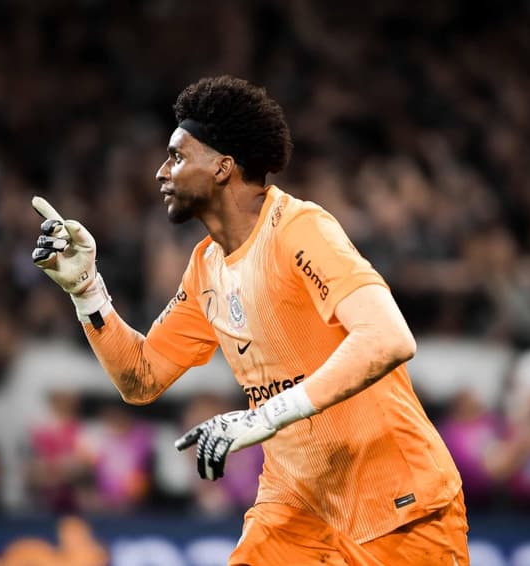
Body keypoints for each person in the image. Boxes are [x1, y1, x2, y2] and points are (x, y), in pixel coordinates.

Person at [32, 76, 468, 565]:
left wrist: (267, 416)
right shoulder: (206, 266)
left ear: (222, 167)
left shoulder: (300, 229)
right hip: (296, 509)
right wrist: (87, 291)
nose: (161, 172)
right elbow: (141, 378)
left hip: (396, 505)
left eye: (177, 156)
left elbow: (387, 337)